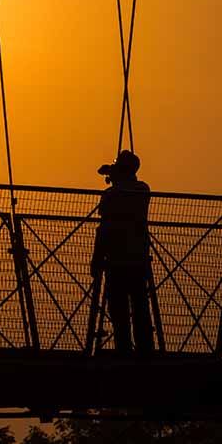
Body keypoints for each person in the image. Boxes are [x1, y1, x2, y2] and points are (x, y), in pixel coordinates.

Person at [91, 149, 154, 354]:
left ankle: (124, 351)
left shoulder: (112, 194)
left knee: (119, 310)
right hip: (138, 260)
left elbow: (104, 229)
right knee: (140, 308)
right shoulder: (143, 189)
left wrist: (96, 258)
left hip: (117, 261)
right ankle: (145, 351)